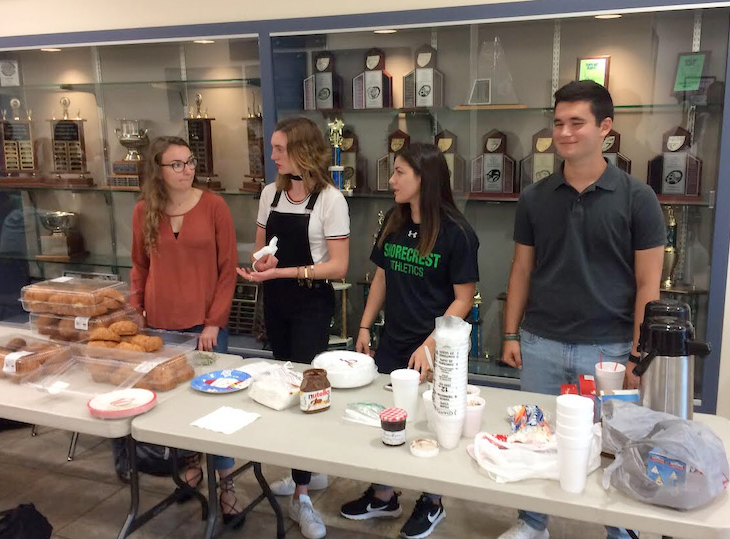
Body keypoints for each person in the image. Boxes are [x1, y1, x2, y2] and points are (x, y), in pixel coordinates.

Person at [498, 80, 665, 539]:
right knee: (535, 438)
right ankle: (533, 522)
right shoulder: (534, 197)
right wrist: (510, 334)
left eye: (577, 122)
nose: (565, 133)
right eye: (558, 123)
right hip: (541, 343)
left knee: (612, 446)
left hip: (609, 350)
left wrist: (638, 354)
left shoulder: (638, 198)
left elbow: (648, 284)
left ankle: (618, 528)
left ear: (605, 128)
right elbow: (521, 270)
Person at [338, 143, 479, 539]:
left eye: (400, 172)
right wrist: (364, 327)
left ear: (424, 178)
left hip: (438, 348)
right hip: (394, 342)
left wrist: (431, 344)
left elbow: (463, 298)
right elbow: (381, 276)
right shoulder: (395, 223)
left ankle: (432, 502)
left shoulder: (458, 233)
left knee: (432, 425)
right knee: (390, 416)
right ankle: (384, 494)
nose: (391, 180)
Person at [237, 116, 350, 539]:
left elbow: (338, 266)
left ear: (302, 151)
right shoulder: (271, 193)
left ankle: (302, 493)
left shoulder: (330, 200)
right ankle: (305, 469)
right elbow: (261, 247)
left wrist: (281, 272)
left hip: (309, 305)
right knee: (282, 386)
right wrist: (264, 261)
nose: (272, 156)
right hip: (277, 302)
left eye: (279, 149)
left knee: (306, 390)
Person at [123, 135, 243, 524]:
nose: (187, 169)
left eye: (190, 162)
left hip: (205, 326)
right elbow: (139, 265)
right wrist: (136, 308)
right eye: (176, 164)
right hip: (160, 324)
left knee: (216, 407)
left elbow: (228, 271)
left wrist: (213, 321)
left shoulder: (214, 207)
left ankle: (227, 484)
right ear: (157, 171)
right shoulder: (144, 210)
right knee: (175, 405)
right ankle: (191, 466)